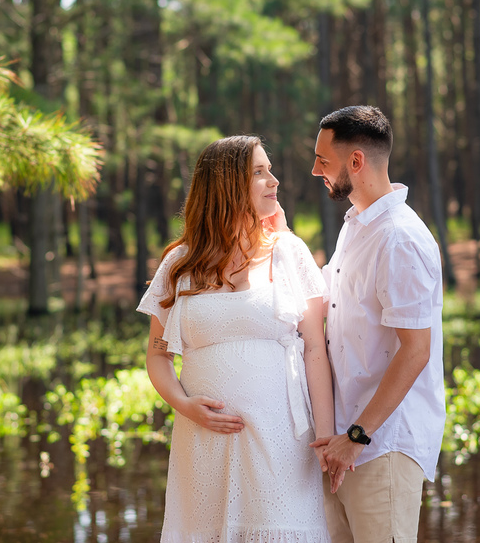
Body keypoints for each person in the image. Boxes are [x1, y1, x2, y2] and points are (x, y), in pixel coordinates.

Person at [138, 135, 335, 543]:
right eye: (259, 173)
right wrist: (186, 406)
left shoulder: (290, 252)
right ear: (226, 185)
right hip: (203, 441)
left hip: (284, 440)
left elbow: (315, 347)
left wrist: (328, 436)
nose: (274, 181)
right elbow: (158, 356)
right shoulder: (179, 264)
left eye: (270, 170)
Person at [308, 106, 446, 543]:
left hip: (380, 446)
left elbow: (415, 351)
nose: (315, 170)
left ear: (356, 162)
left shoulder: (400, 238)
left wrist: (357, 436)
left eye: (323, 160)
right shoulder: (355, 227)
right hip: (342, 447)